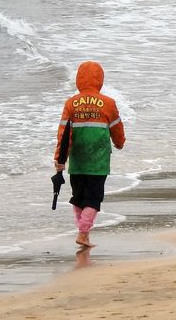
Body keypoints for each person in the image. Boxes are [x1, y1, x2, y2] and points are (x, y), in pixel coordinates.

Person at [55, 61, 125, 248]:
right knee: (93, 199)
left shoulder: (71, 103)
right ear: (100, 80)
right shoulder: (108, 103)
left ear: (79, 79)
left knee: (78, 197)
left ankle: (83, 231)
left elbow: (64, 134)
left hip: (77, 162)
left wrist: (59, 160)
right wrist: (119, 143)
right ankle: (83, 233)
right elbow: (116, 127)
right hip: (98, 162)